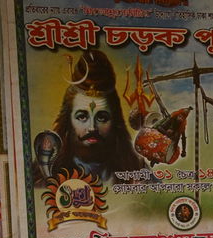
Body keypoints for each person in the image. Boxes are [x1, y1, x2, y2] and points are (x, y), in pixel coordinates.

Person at [40, 49, 146, 185]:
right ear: (68, 121)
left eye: (102, 118)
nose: (91, 128)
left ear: (115, 122)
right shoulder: (44, 173)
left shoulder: (138, 171)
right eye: (82, 117)